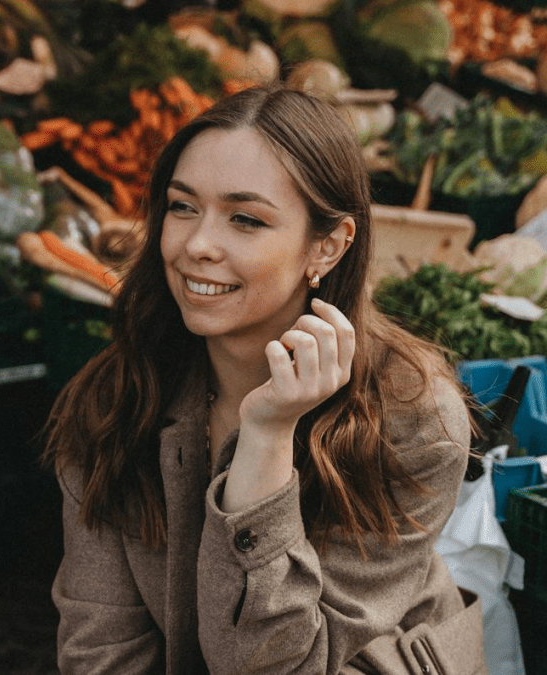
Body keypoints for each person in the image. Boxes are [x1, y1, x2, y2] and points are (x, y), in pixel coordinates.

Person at [41, 84, 488, 674]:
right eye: (182, 206)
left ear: (327, 246)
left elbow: (278, 668)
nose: (197, 244)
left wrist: (268, 438)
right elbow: (102, 648)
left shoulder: (411, 416)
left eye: (245, 219)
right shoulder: (116, 398)